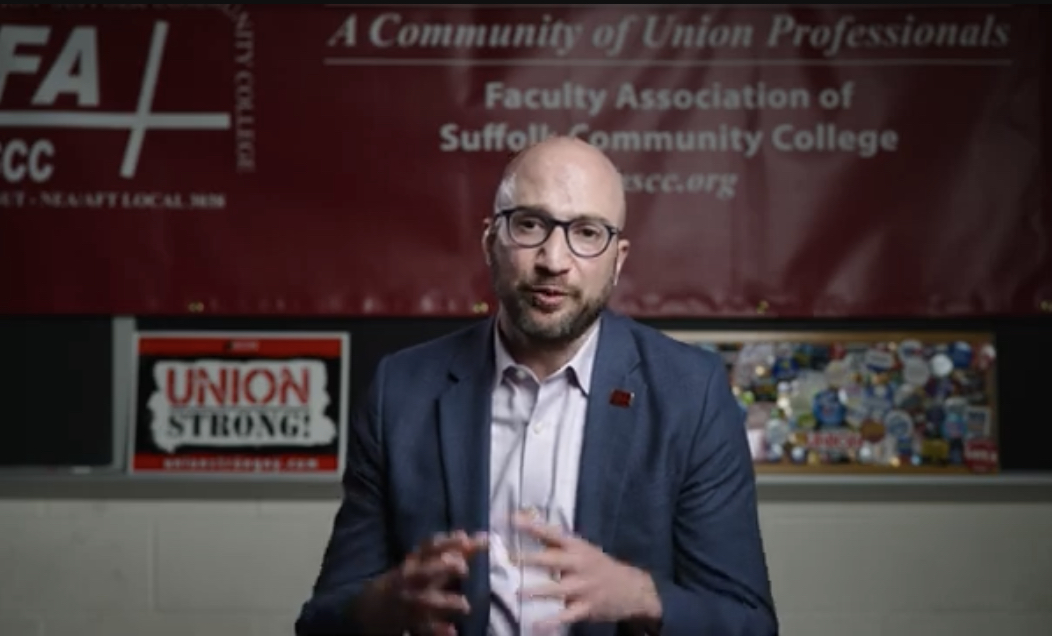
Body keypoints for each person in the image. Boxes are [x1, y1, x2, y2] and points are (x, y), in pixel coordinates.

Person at [295, 136, 777, 636]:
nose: (553, 259)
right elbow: (320, 622)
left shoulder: (692, 395)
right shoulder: (401, 392)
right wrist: (384, 602)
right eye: (529, 224)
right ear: (490, 241)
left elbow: (750, 624)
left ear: (618, 259)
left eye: (586, 232)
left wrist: (640, 596)